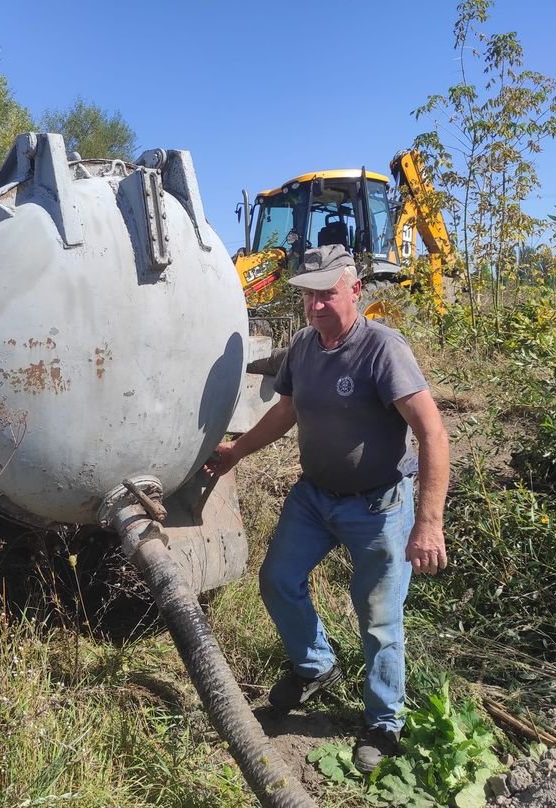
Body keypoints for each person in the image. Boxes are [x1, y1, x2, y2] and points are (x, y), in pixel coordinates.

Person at [206, 244, 449, 773]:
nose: (315, 306)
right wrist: (236, 451)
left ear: (354, 290)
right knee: (277, 579)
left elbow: (431, 431)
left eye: (326, 294)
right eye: (308, 296)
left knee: (379, 618)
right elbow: (285, 412)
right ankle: (316, 665)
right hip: (314, 498)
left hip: (379, 505)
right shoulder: (303, 347)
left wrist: (428, 522)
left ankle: (384, 721)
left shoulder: (382, 349)